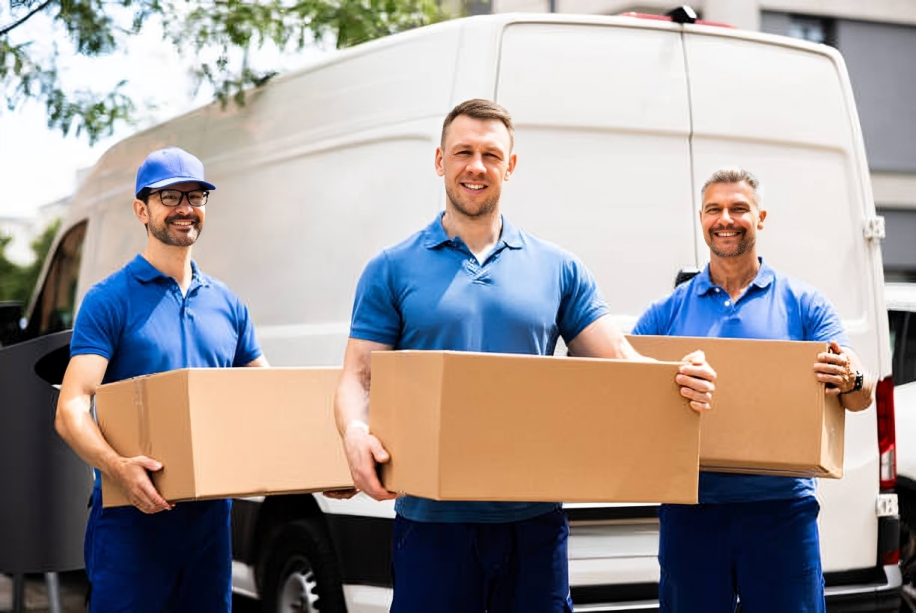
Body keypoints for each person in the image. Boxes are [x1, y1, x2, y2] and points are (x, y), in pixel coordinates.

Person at [332, 98, 717, 613]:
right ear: (440, 160)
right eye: (463, 151)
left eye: (491, 154)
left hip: (532, 523)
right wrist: (355, 433)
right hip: (432, 523)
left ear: (510, 166)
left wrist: (676, 376)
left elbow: (617, 357)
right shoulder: (391, 268)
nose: (476, 166)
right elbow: (358, 376)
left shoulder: (558, 268)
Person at [632, 168, 874, 613]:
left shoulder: (803, 304)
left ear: (760, 218)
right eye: (714, 209)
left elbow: (861, 395)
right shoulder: (667, 311)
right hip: (692, 511)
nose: (726, 218)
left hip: (780, 511)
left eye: (738, 208)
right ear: (701, 218)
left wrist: (851, 376)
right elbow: (623, 392)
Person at [55, 146, 268, 612]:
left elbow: (269, 400)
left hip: (210, 519)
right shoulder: (109, 299)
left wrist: (325, 466)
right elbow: (71, 408)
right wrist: (118, 468)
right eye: (170, 196)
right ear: (141, 208)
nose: (185, 209)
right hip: (130, 518)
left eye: (196, 196)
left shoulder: (229, 304)